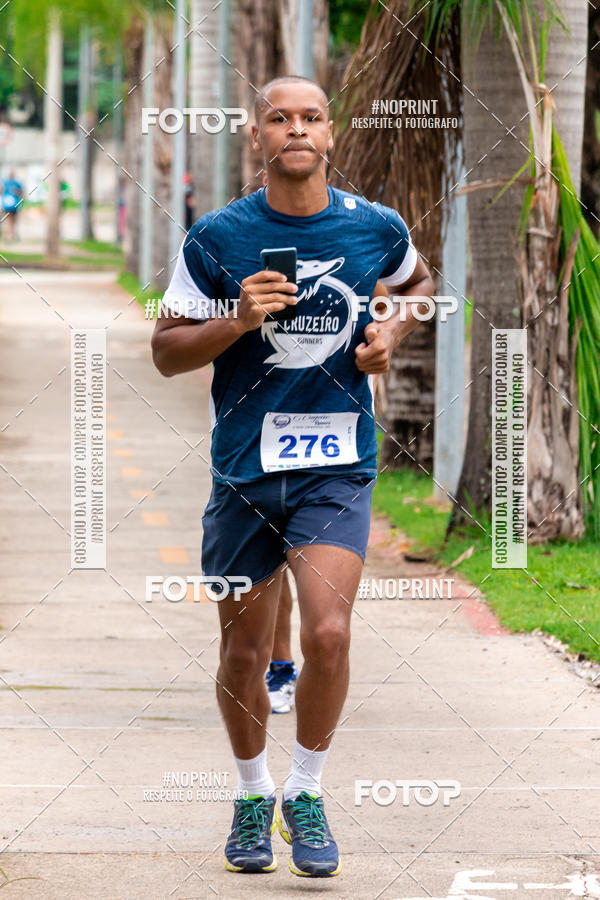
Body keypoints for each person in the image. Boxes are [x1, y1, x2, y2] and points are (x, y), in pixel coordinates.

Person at [151, 74, 434, 878]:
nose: (297, 129)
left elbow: (417, 285)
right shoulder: (218, 238)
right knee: (243, 654)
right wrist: (235, 320)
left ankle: (305, 791)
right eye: (281, 118)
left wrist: (390, 333)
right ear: (259, 136)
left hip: (337, 467)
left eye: (311, 117)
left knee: (329, 633)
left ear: (332, 135)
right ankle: (251, 794)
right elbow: (166, 352)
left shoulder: (375, 228)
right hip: (244, 470)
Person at [266, 281, 390, 717]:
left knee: (326, 620)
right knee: (272, 563)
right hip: (257, 441)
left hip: (336, 447)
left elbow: (398, 297)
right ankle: (279, 665)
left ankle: (308, 666)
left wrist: (385, 333)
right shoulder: (248, 245)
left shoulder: (359, 237)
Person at [1, 169, 23, 242]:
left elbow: (21, 193)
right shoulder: (5, 183)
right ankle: (8, 236)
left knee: (11, 221)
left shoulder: (16, 183)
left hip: (14, 205)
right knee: (9, 221)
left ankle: (9, 236)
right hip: (7, 205)